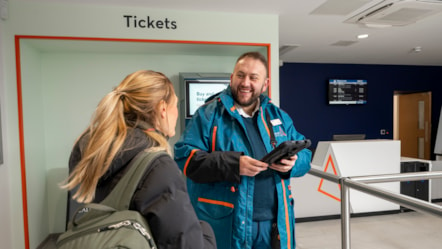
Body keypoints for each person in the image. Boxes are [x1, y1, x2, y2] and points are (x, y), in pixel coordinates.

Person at [61, 70, 217, 249]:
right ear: (163, 109)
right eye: (176, 104)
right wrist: (204, 231)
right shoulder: (157, 166)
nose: (177, 111)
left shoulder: (87, 148)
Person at [174, 52, 312, 249]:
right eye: (240, 75)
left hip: (274, 224)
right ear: (232, 78)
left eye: (253, 78)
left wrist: (293, 163)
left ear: (265, 84)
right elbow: (185, 158)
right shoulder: (207, 115)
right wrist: (234, 164)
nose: (245, 83)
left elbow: (305, 156)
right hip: (227, 223)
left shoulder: (279, 116)